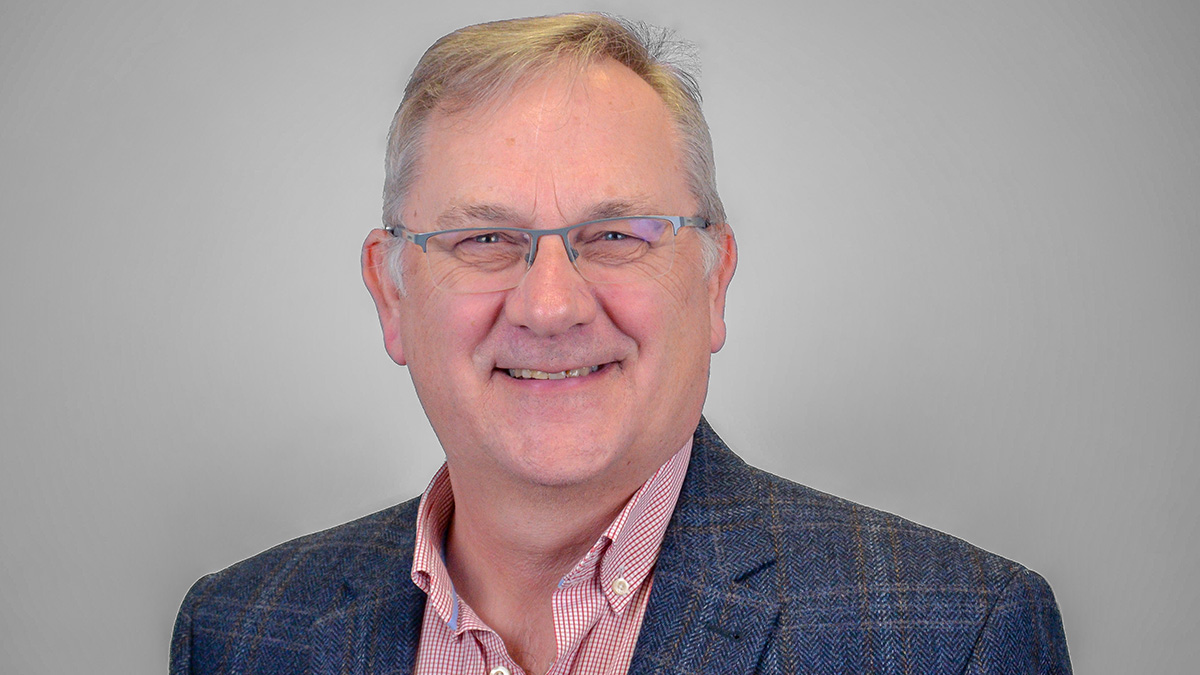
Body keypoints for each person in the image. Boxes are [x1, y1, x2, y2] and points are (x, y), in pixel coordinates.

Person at [170, 13, 1070, 674]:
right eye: (484, 238)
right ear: (391, 292)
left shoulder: (954, 637)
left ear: (713, 282)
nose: (550, 305)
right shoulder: (241, 633)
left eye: (615, 235)